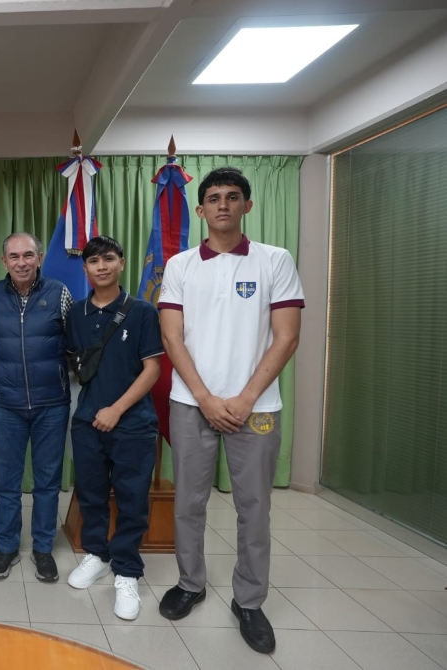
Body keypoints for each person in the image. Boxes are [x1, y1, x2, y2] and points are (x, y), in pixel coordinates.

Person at [157, 167, 304, 654]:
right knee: (188, 503)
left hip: (256, 407)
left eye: (233, 196)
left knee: (254, 507)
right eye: (214, 198)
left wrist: (244, 399)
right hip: (191, 404)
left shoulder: (274, 260)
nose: (223, 204)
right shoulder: (180, 265)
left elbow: (287, 337)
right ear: (200, 210)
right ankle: (190, 583)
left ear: (247, 206)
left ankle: (250, 600)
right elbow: (171, 337)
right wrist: (204, 397)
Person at [64, 236, 162, 620]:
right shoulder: (76, 312)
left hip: (132, 424)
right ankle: (97, 554)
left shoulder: (142, 312)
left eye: (108, 259)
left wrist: (117, 409)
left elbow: (152, 369)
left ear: (121, 262)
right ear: (85, 268)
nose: (101, 266)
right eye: (93, 261)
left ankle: (126, 570)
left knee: (131, 499)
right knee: (90, 494)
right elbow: (76, 365)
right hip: (87, 422)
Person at [0, 232, 74, 582]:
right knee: (6, 482)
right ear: (4, 261)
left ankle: (43, 548)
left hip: (52, 404)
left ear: (39, 258)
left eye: (28, 255)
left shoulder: (59, 293)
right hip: (6, 405)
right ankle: (6, 547)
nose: (21, 262)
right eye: (14, 256)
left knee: (47, 482)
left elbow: (76, 339)